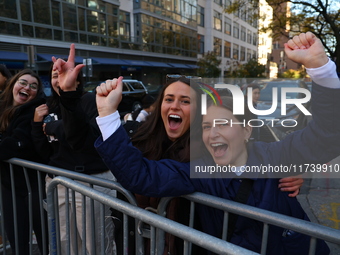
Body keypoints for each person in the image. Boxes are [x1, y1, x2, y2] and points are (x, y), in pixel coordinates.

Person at [94, 32, 338, 254]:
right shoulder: (200, 171)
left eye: (222, 124)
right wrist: (107, 115)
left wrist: (320, 68)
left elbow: (326, 134)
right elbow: (142, 176)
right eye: (207, 126)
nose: (212, 133)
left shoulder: (278, 156)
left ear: (246, 131)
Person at [31, 48, 116, 255]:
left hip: (89, 182)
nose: (58, 78)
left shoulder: (89, 101)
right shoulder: (49, 107)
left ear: (75, 78)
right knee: (64, 245)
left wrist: (53, 126)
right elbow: (44, 151)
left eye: (62, 73)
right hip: (57, 183)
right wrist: (36, 124)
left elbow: (85, 139)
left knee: (95, 245)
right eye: (53, 75)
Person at [0, 69, 48, 255]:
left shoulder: (33, 111)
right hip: (8, 185)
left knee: (45, 240)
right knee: (17, 239)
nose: (27, 87)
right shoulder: (2, 107)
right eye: (23, 82)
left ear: (36, 93)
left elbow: (10, 147)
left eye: (33, 86)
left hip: (34, 186)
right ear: (13, 85)